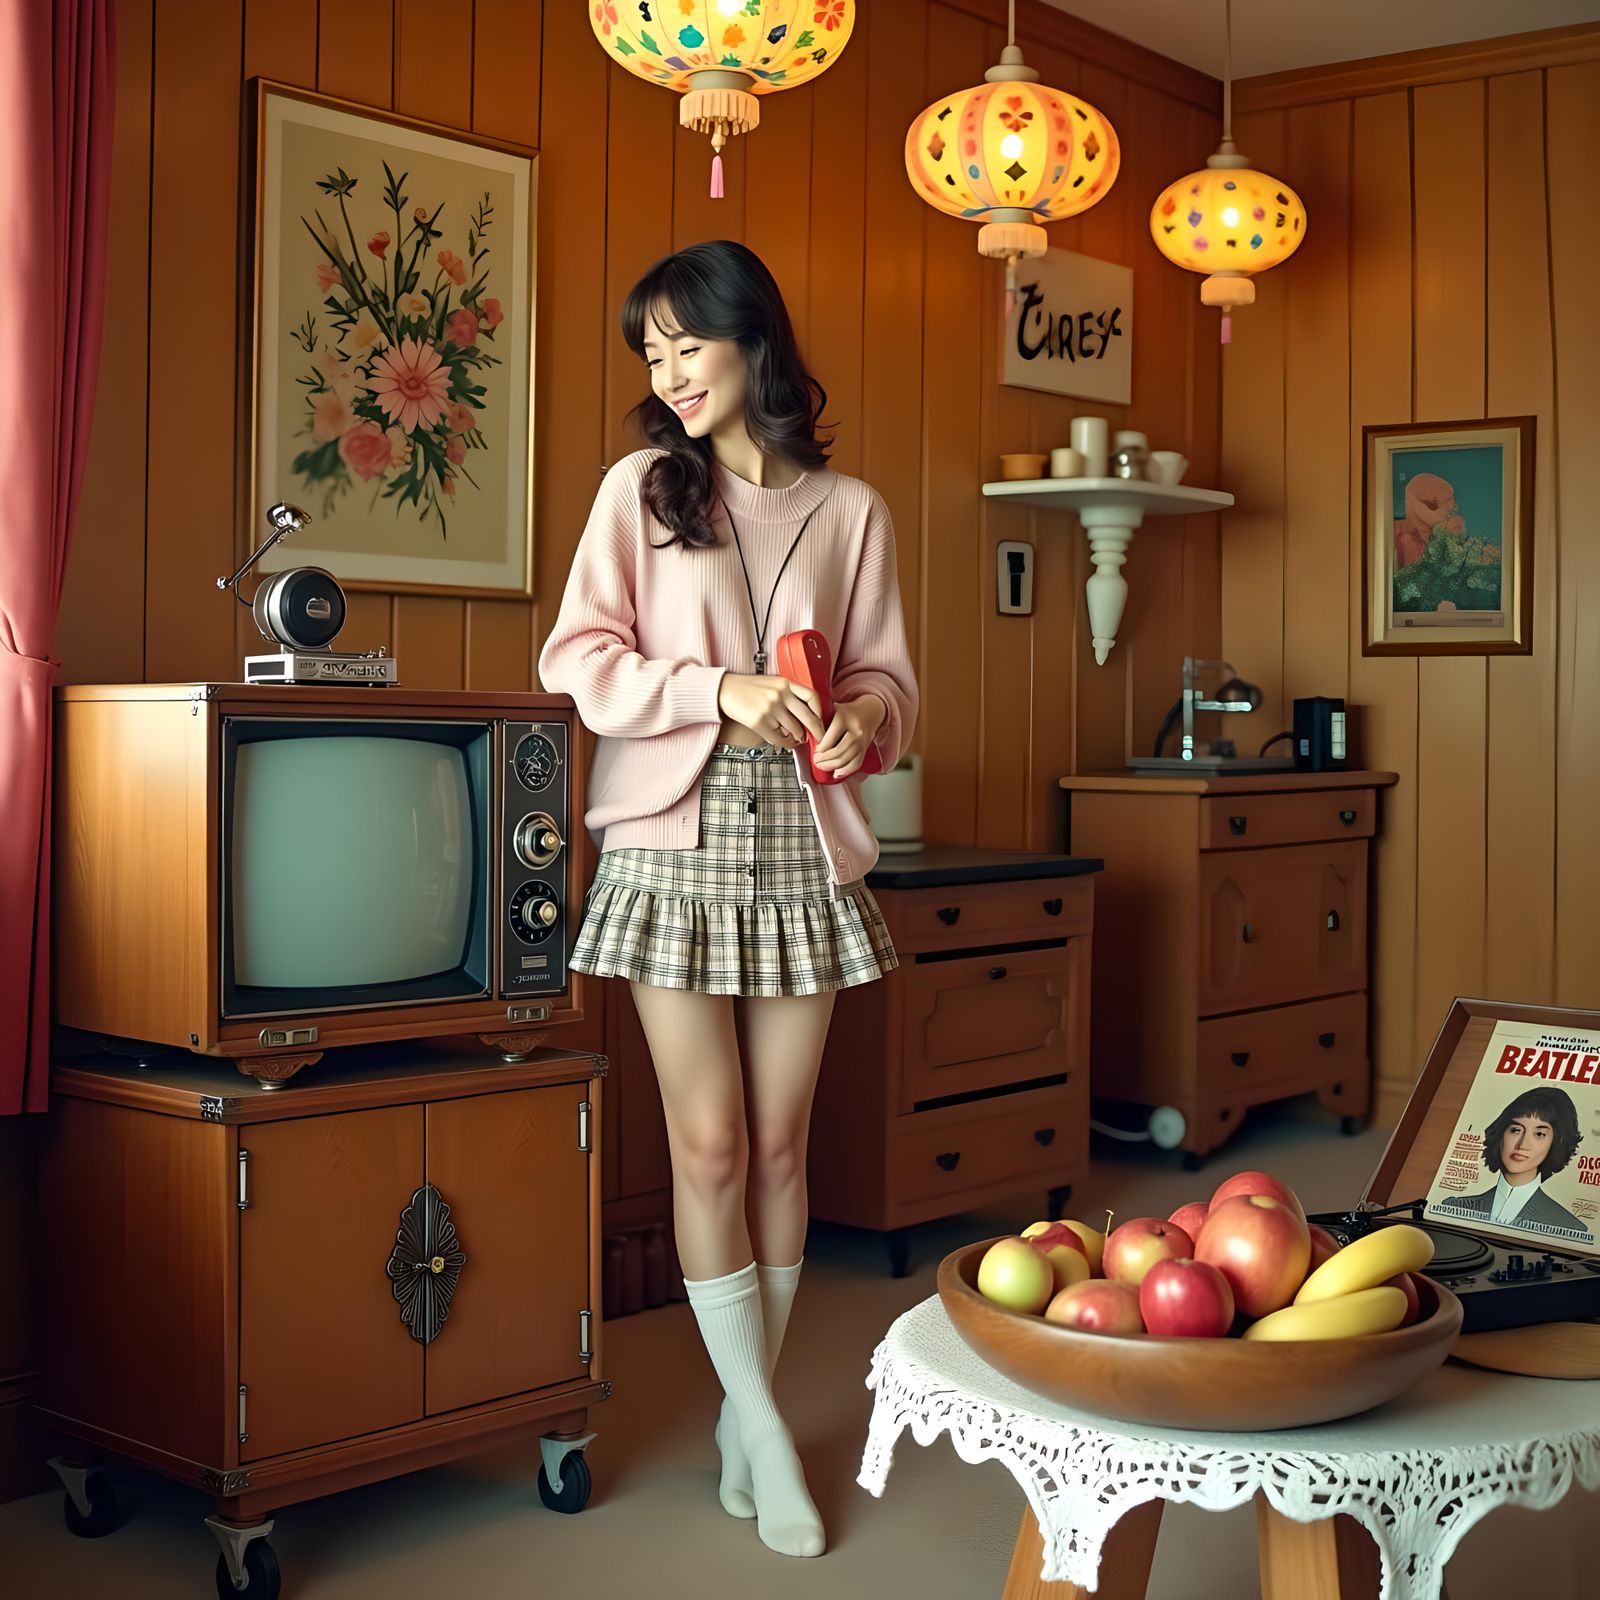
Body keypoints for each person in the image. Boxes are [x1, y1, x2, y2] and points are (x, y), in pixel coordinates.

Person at [538, 240, 918, 1560]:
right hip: (669, 846)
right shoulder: (643, 489)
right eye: (649, 354)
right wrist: (720, 691)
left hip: (803, 852)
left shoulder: (852, 508)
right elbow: (577, 656)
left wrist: (866, 718)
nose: (667, 373)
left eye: (683, 344)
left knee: (779, 1149)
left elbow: (892, 686)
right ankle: (758, 1420)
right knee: (703, 1148)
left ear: (751, 338)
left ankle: (741, 1410)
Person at [1435, 1086, 1589, 1239]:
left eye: (1539, 1134)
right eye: (1516, 1130)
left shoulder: (1570, 1228)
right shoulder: (1454, 1207)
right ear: (1501, 1133)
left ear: (1556, 1142)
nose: (1522, 1144)